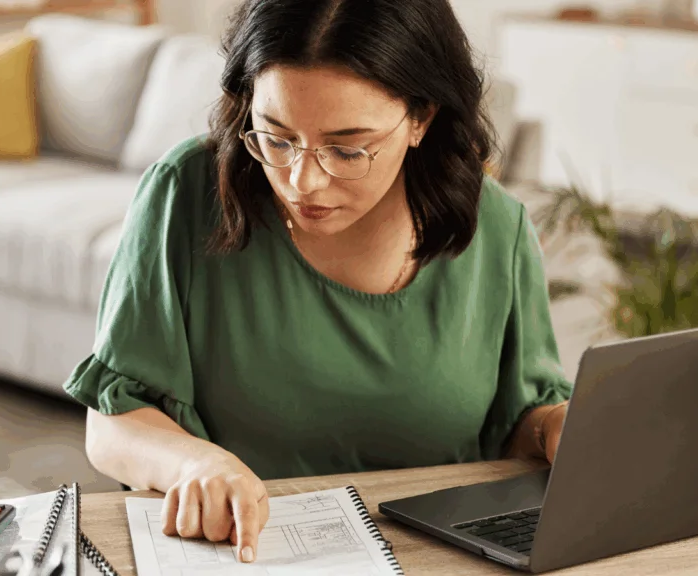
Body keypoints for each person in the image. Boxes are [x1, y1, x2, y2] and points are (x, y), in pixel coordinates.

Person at [63, 0, 573, 564]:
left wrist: (556, 428)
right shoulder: (185, 194)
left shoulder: (497, 228)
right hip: (243, 555)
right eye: (276, 138)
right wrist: (194, 463)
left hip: (440, 560)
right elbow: (110, 425)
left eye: (347, 148)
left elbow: (520, 425)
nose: (302, 181)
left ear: (422, 119)